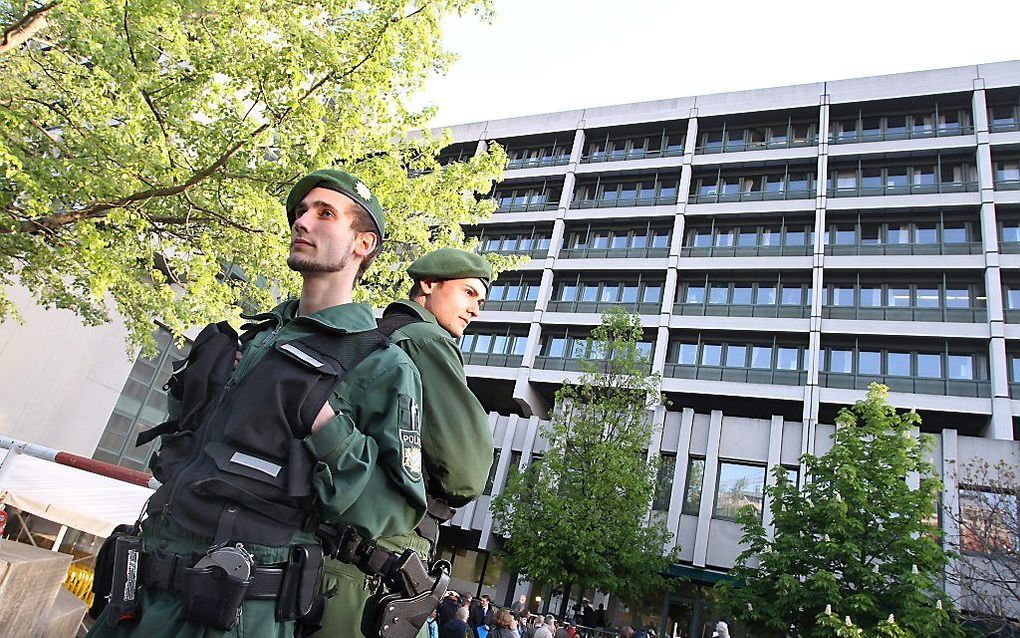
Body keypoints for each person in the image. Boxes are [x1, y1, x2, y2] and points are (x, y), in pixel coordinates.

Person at [86, 169, 424, 638]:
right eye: (301, 211)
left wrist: (326, 425)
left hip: (238, 609)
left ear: (363, 244)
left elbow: (391, 514)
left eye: (325, 214)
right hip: (144, 590)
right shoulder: (254, 338)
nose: (303, 222)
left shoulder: (381, 365)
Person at [379, 247, 495, 542]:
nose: (476, 310)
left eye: (480, 301)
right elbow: (465, 476)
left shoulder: (376, 332)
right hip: (388, 532)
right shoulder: (427, 340)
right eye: (468, 293)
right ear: (429, 283)